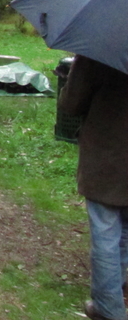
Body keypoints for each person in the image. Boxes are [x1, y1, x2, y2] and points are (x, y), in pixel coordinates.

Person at [59, 55, 128, 320]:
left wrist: (70, 78)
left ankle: (109, 309)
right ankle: (114, 289)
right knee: (124, 232)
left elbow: (71, 103)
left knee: (107, 232)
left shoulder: (99, 48)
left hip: (109, 155)